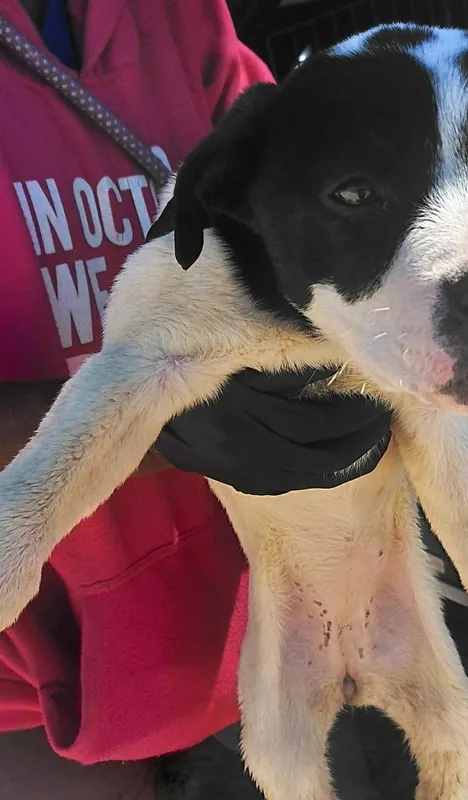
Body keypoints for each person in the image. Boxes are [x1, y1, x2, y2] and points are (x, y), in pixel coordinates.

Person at [0, 0, 391, 796]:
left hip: (234, 620)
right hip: (21, 680)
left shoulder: (174, 18)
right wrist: (157, 420)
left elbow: (299, 181)